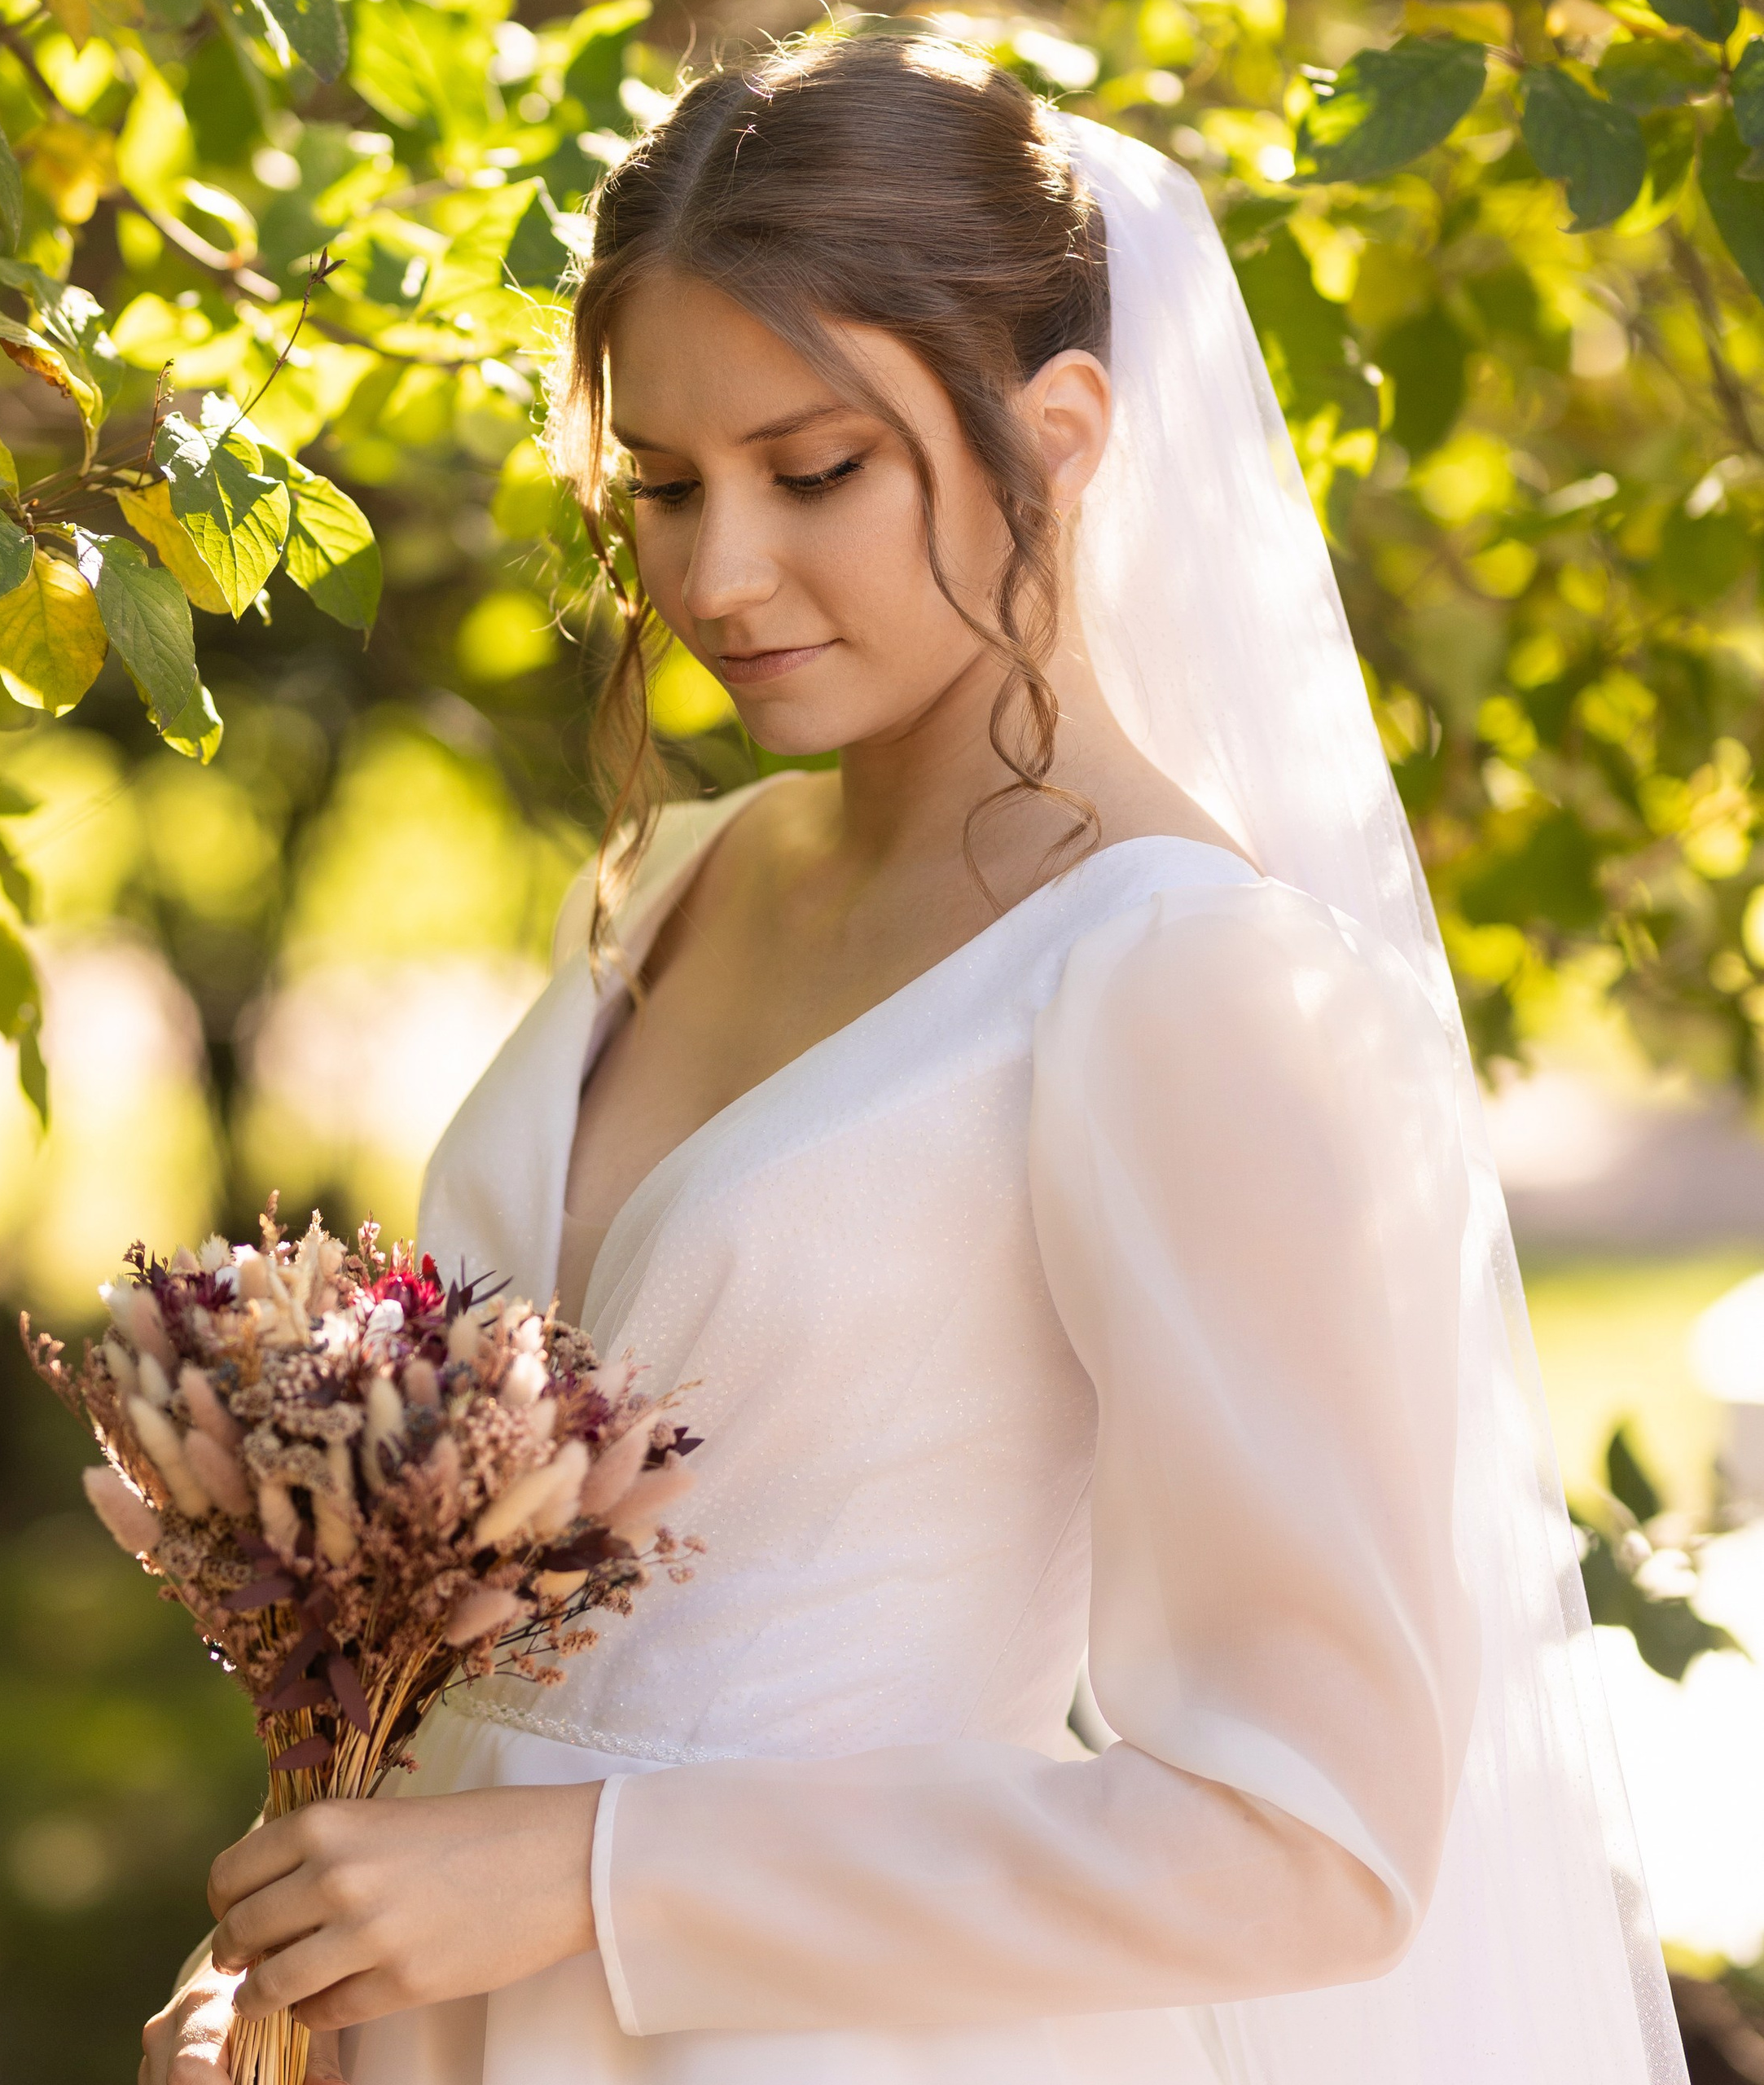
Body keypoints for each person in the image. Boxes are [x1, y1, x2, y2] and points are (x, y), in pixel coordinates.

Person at [143, 34, 1684, 2085]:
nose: (715, 577)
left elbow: (1307, 1837)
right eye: (664, 486)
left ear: (1057, 433)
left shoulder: (1184, 981)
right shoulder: (672, 876)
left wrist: (587, 1878)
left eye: (814, 468)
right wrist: (289, 1941)